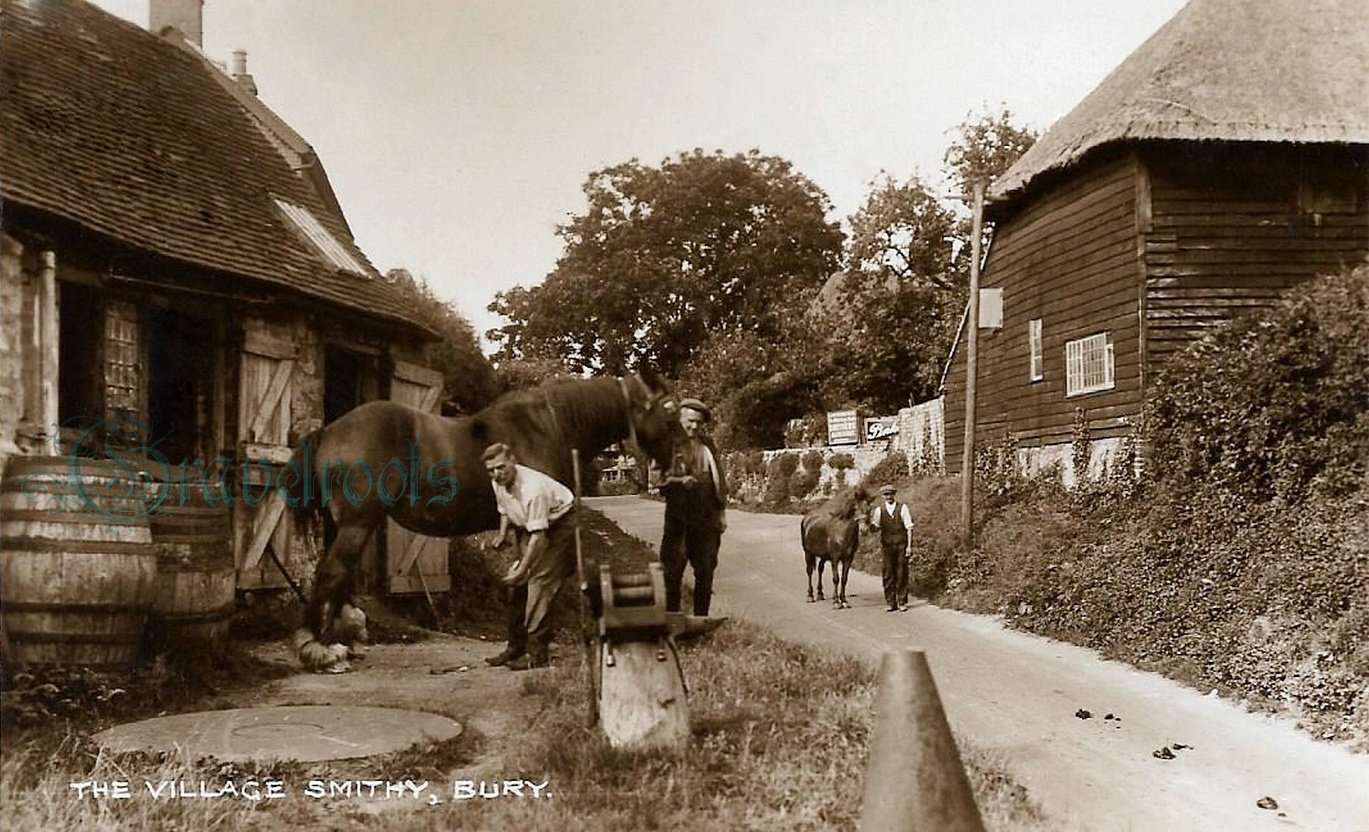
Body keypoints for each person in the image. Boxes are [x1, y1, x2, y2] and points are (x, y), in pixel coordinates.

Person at [481, 443, 578, 670]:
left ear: (513, 461)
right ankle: (515, 647)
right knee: (517, 585)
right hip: (532, 526)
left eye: (501, 467)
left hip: (561, 525)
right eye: (491, 470)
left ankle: (537, 653)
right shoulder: (498, 482)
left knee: (539, 581)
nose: (497, 473)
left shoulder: (533, 490)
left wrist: (524, 568)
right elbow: (504, 509)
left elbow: (538, 537)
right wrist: (502, 534)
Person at [652, 397, 728, 616]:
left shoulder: (707, 445)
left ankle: (701, 620)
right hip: (679, 518)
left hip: (707, 518)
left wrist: (721, 513)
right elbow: (656, 480)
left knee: (706, 570)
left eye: (698, 422)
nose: (694, 426)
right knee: (672, 571)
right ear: (680, 419)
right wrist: (678, 481)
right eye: (690, 421)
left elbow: (719, 480)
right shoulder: (667, 445)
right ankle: (672, 620)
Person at [869, 484, 913, 612]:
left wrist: (909, 546)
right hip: (887, 546)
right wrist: (868, 525)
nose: (888, 497)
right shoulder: (879, 510)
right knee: (888, 574)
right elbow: (876, 527)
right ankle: (890, 602)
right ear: (883, 496)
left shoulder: (902, 508)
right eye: (886, 494)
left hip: (901, 545)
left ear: (894, 495)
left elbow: (909, 528)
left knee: (901, 573)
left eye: (890, 494)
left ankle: (902, 602)